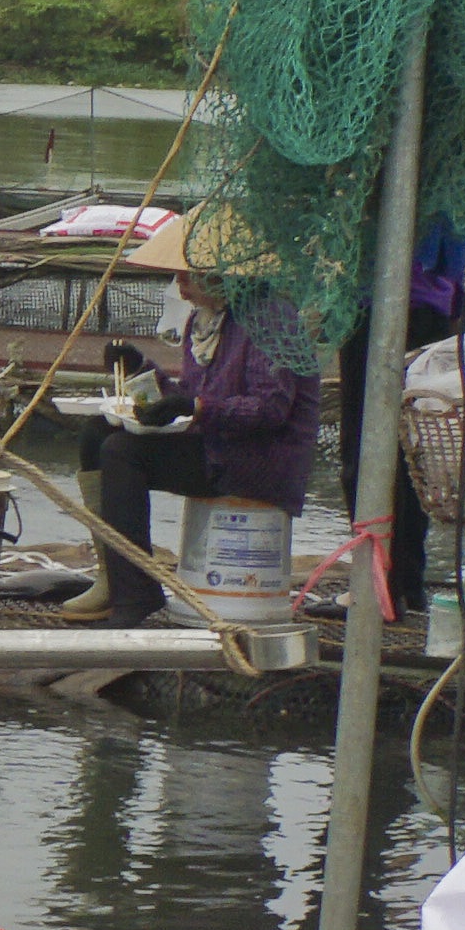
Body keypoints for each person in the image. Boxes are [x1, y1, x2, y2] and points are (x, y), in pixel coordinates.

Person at [75, 205, 321, 624]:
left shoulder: (270, 319)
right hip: (214, 442)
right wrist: (138, 368)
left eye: (188, 275)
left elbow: (270, 409)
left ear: (220, 274)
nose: (181, 286)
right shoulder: (204, 322)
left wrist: (195, 408)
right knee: (97, 434)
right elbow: (189, 393)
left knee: (122, 452)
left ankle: (135, 596)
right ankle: (113, 578)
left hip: (257, 460)